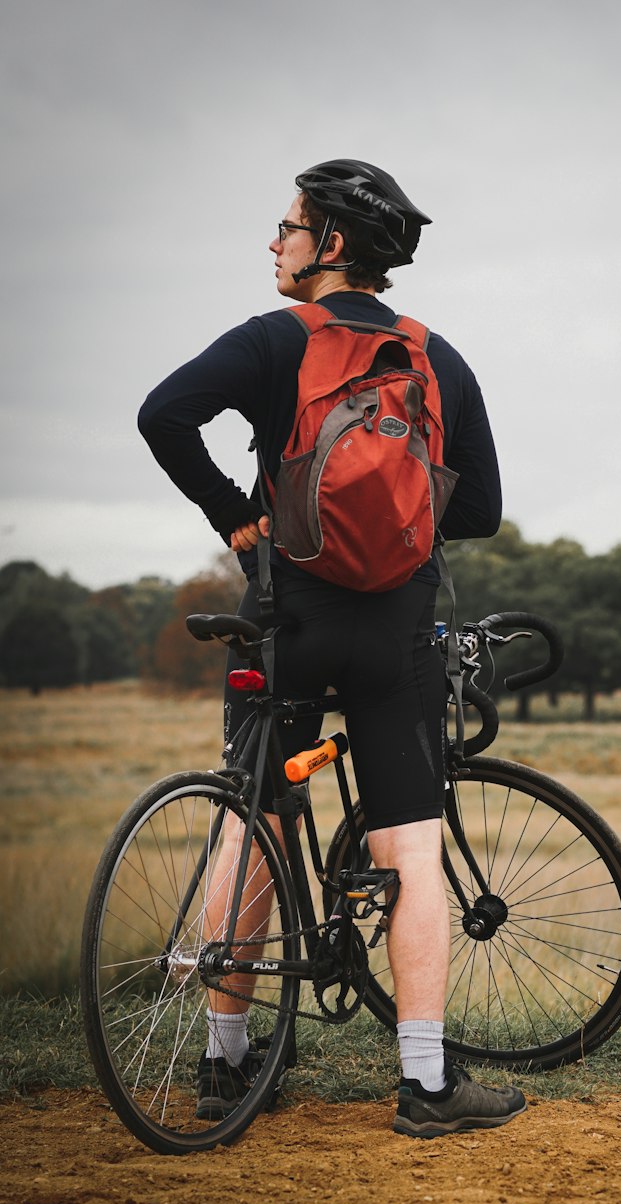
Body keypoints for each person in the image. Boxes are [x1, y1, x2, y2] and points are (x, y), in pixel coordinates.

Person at [138, 159, 526, 1137]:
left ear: (332, 245)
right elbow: (477, 507)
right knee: (412, 844)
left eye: (287, 226)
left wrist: (237, 517)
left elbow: (162, 414)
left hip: (288, 619)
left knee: (252, 819)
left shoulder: (276, 341)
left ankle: (226, 1067)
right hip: (395, 631)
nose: (274, 242)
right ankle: (426, 1084)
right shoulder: (437, 356)